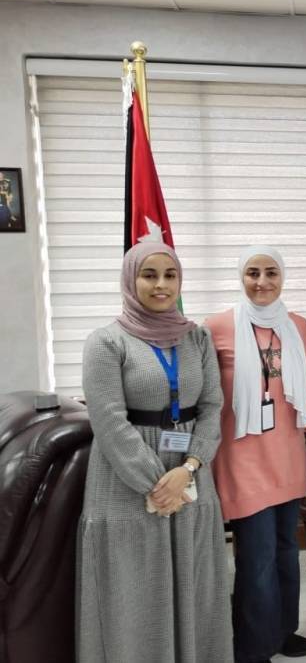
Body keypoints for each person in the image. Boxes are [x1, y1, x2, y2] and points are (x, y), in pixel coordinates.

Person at [78, 240, 231, 663]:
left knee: (197, 586)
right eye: (149, 275)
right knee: (134, 593)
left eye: (170, 275)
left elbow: (213, 406)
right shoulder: (106, 342)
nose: (161, 284)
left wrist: (189, 469)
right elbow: (108, 420)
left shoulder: (197, 338)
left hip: (190, 474)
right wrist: (158, 485)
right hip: (126, 481)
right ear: (131, 280)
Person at [205, 246, 306, 663]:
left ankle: (282, 631)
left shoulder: (298, 326)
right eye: (253, 272)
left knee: (285, 550)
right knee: (256, 557)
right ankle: (253, 647)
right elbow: (202, 392)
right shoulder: (217, 326)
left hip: (287, 454)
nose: (262, 282)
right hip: (241, 458)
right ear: (241, 276)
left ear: (283, 276)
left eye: (271, 272)